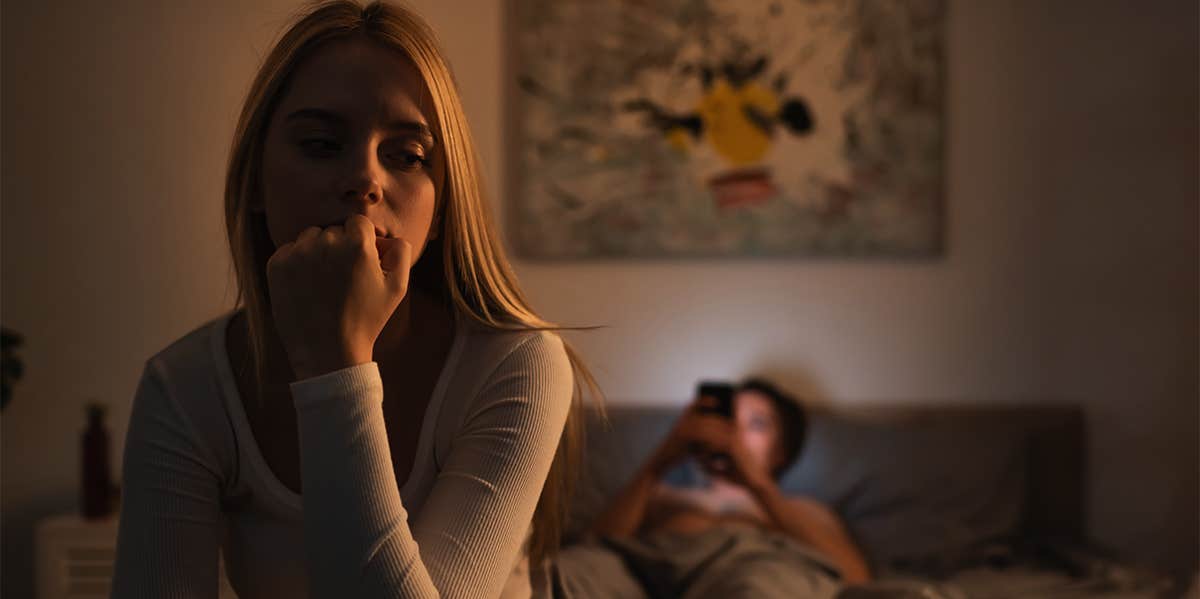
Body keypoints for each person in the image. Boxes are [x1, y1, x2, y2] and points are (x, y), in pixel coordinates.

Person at [110, 2, 597, 598]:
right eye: (320, 144)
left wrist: (335, 365)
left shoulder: (517, 366)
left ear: (440, 207)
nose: (365, 180)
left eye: (407, 156)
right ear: (256, 182)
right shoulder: (185, 388)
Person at [574, 378, 870, 596]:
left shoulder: (803, 510)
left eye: (756, 424)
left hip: (754, 574)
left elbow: (855, 579)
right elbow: (598, 543)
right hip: (652, 575)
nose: (734, 433)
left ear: (781, 452)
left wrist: (758, 486)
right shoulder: (664, 496)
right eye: (729, 418)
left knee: (758, 586)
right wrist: (663, 457)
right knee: (577, 572)